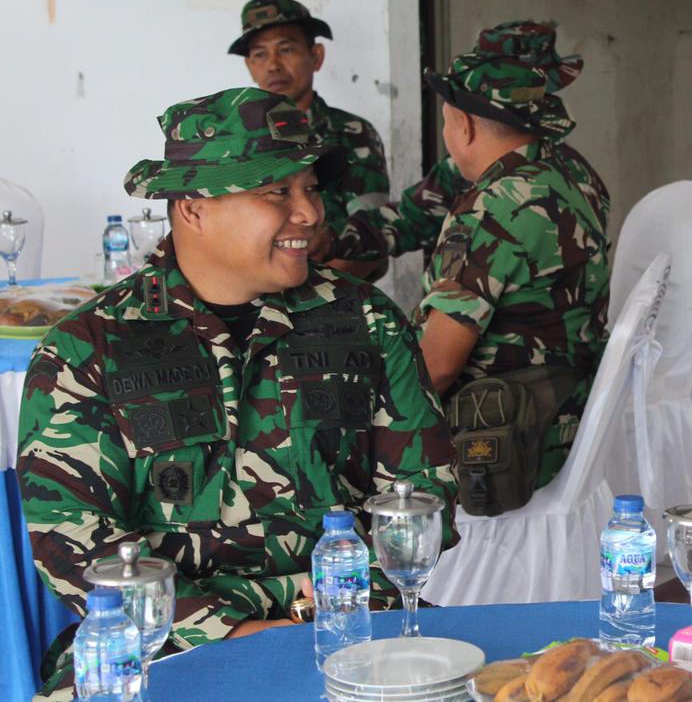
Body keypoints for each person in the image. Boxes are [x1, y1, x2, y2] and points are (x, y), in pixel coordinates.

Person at [17, 88, 457, 698]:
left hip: (352, 628)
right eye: (278, 192)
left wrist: (330, 607)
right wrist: (235, 629)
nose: (309, 213)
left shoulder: (365, 322)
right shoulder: (89, 348)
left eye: (309, 189)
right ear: (194, 208)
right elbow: (73, 544)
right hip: (159, 647)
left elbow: (422, 494)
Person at [315, 21, 610, 489]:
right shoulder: (573, 172)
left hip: (499, 440)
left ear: (463, 124)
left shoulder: (493, 208)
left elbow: (438, 366)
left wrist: (354, 440)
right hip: (563, 417)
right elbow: (407, 218)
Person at [230, 0, 391, 280]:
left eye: (286, 49)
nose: (273, 65)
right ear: (250, 67)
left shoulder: (352, 134)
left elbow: (371, 240)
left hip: (335, 305)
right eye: (260, 54)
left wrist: (309, 301)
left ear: (315, 57)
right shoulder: (234, 141)